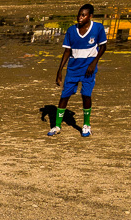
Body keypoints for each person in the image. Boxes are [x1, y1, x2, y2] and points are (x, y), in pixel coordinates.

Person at [48, 4, 106, 137]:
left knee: (86, 95)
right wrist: (59, 71)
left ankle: (86, 125)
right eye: (79, 15)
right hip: (73, 69)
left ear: (90, 16)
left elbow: (103, 47)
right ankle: (57, 126)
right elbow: (67, 51)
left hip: (88, 69)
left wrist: (94, 63)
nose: (80, 18)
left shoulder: (98, 28)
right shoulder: (71, 30)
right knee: (64, 96)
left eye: (83, 15)